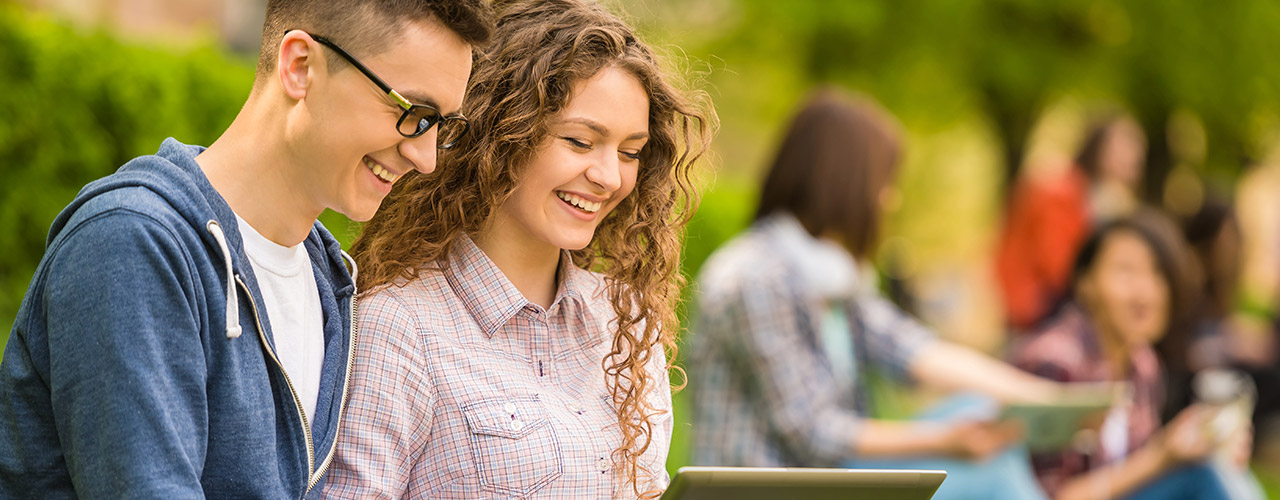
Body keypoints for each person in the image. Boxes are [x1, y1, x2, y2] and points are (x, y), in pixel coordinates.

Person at [0, 1, 492, 497]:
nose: (426, 158)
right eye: (414, 114)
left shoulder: (329, 283)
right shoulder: (134, 244)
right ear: (299, 66)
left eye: (443, 127)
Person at [322, 0, 713, 498]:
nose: (610, 177)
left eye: (630, 151)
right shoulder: (399, 327)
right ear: (502, 135)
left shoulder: (626, 319)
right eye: (579, 141)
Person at [690, 89, 1077, 500]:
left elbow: (915, 351)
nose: (890, 199)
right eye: (884, 183)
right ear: (845, 182)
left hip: (824, 479)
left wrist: (1051, 401)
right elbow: (813, 431)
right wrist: (946, 441)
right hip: (770, 490)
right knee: (990, 470)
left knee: (975, 412)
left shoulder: (833, 276)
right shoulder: (755, 276)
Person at [1012, 212, 1243, 499]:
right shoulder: (1054, 361)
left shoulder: (1143, 363)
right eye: (1126, 271)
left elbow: (1134, 471)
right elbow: (1048, 496)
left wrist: (1195, 444)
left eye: (1158, 273)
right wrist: (1163, 456)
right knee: (1202, 473)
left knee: (1209, 463)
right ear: (1085, 282)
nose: (1145, 291)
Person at [997, 115, 1147, 332]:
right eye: (1126, 146)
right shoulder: (1060, 191)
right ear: (1098, 146)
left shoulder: (1102, 198)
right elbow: (1059, 266)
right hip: (1041, 309)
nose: (1135, 156)